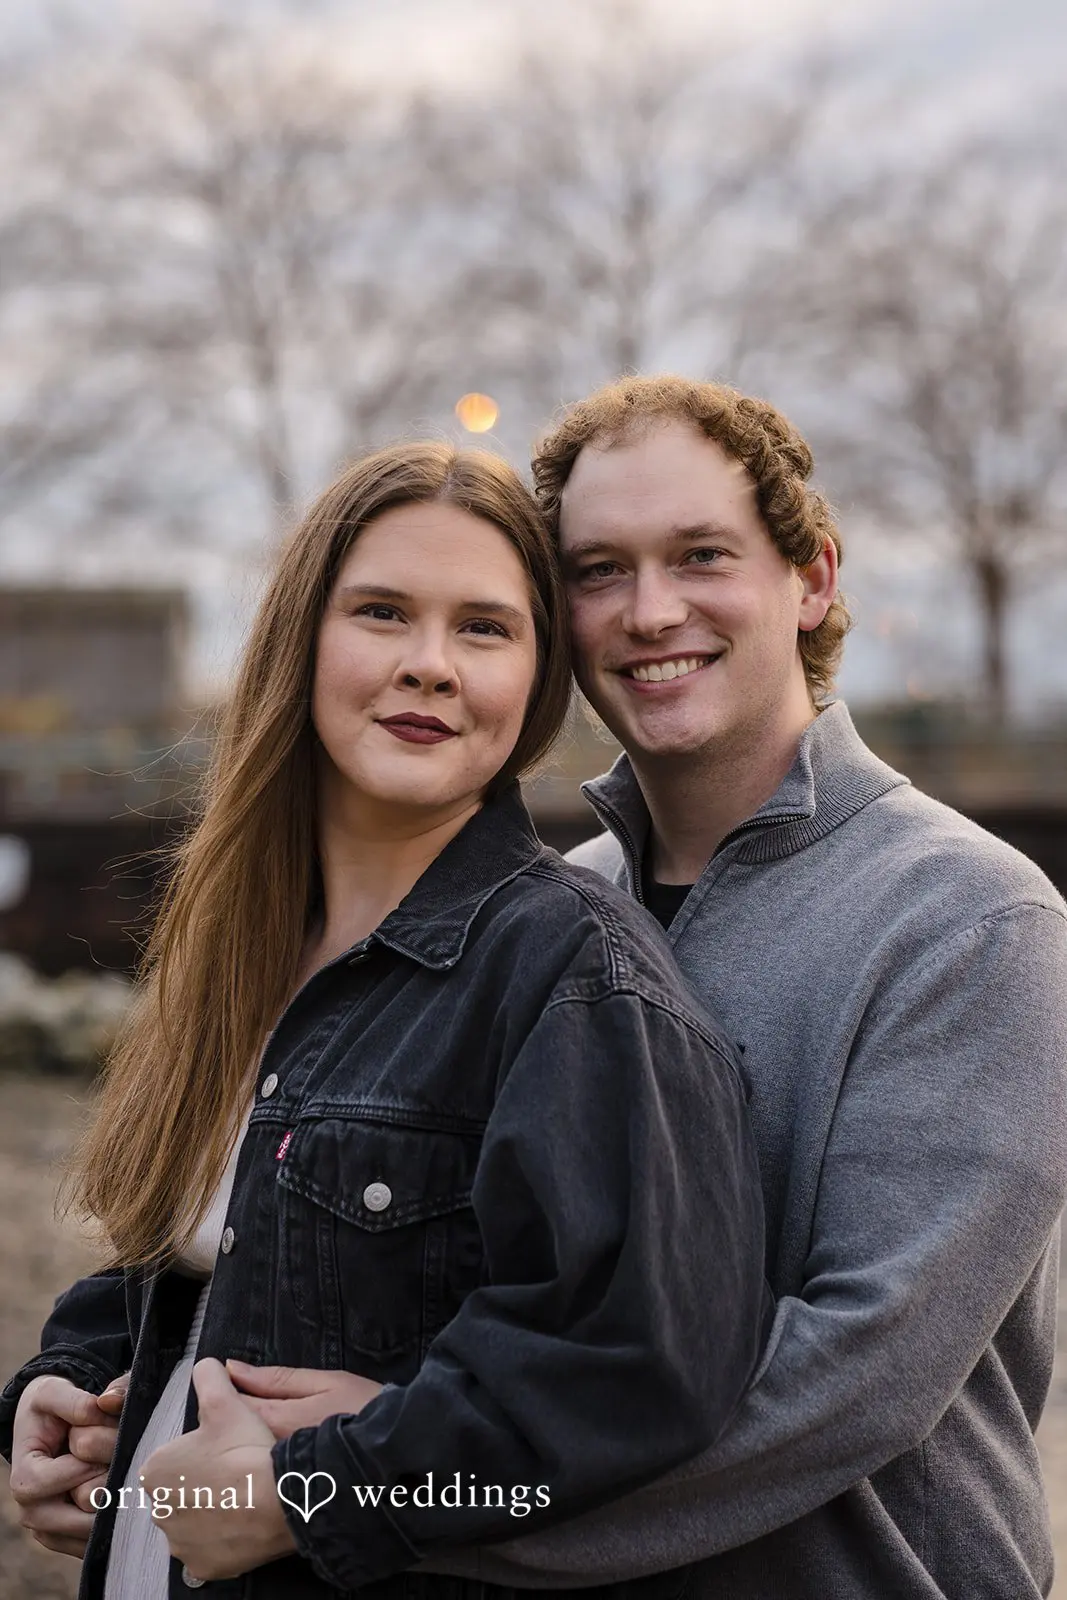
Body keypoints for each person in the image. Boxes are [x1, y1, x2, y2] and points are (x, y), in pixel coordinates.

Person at [0, 441, 770, 1597]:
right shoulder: (244, 943)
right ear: (299, 639)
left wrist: (321, 1493)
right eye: (381, 612)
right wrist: (65, 1383)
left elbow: (638, 1373)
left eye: (483, 627)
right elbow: (215, 1248)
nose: (429, 665)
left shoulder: (570, 974)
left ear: (537, 676)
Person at [424, 375, 1067, 1599]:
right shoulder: (546, 906)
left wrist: (398, 1504)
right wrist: (129, 1420)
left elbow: (849, 1376)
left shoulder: (971, 918)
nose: (649, 609)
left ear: (811, 577)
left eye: (700, 554)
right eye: (599, 569)